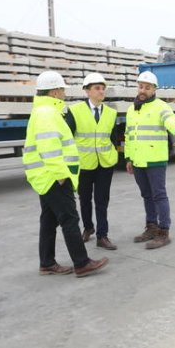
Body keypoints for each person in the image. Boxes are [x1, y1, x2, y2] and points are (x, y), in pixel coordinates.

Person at [22, 70, 108, 277]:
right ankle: (82, 263)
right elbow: (49, 146)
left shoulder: (45, 111)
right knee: (69, 218)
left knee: (49, 220)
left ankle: (47, 263)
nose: (63, 93)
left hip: (46, 175)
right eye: (61, 89)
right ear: (54, 92)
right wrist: (61, 174)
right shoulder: (47, 113)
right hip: (54, 176)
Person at [125, 71, 175, 249]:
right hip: (138, 160)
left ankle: (164, 231)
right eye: (141, 86)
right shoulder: (132, 109)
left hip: (155, 160)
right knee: (146, 195)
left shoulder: (161, 106)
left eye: (147, 88)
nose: (143, 90)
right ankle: (151, 227)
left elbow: (170, 121)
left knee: (159, 195)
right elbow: (129, 135)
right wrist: (129, 158)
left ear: (154, 89)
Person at [66, 72, 117, 250]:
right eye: (97, 88)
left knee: (102, 200)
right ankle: (88, 228)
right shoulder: (74, 111)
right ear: (87, 91)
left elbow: (114, 138)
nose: (101, 91)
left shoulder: (111, 113)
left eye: (103, 88)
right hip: (84, 163)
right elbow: (68, 138)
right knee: (85, 199)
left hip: (105, 163)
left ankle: (103, 236)